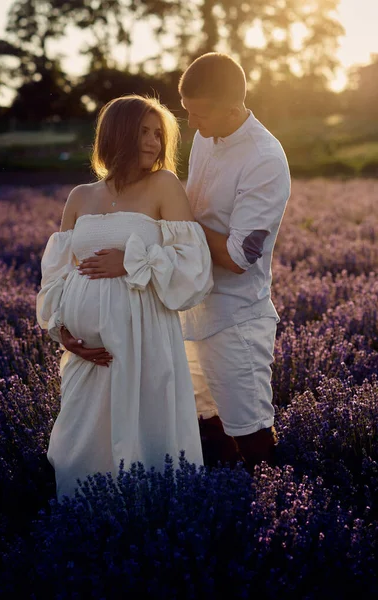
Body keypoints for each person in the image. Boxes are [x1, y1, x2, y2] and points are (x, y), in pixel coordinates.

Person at [36, 95, 213, 500]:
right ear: (116, 133)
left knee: (145, 435)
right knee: (82, 445)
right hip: (88, 354)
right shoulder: (80, 196)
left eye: (158, 134)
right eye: (143, 131)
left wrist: (131, 261)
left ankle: (148, 530)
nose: (154, 142)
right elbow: (58, 273)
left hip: (144, 336)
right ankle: (87, 533)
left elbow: (193, 263)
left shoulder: (163, 185)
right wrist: (60, 329)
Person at [178, 53, 291, 472]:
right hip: (192, 307)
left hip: (236, 316)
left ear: (232, 107)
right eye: (187, 112)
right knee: (204, 425)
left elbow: (241, 257)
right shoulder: (208, 134)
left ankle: (269, 520)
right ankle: (221, 524)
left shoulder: (264, 157)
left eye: (199, 113)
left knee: (251, 435)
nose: (192, 124)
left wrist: (179, 226)